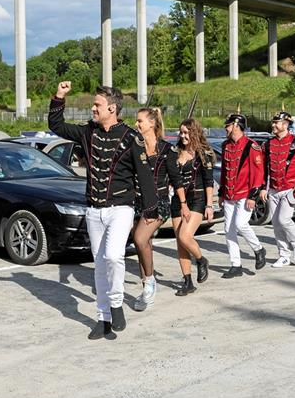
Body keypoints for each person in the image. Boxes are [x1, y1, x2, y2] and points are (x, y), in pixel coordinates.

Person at [48, 81, 158, 340]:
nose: (93, 108)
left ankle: (116, 303)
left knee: (113, 256)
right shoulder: (88, 133)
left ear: (112, 108)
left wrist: (150, 209)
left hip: (121, 208)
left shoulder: (131, 137)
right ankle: (103, 317)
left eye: (97, 105)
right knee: (99, 264)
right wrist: (59, 97)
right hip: (94, 210)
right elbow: (56, 126)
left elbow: (144, 176)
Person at [132, 107, 182, 311]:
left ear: (151, 123)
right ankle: (147, 290)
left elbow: (176, 180)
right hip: (136, 201)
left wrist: (184, 205)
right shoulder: (135, 147)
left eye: (140, 121)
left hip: (159, 202)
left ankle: (150, 281)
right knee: (143, 245)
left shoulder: (167, 150)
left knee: (140, 238)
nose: (136, 124)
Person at [259, 109, 295, 268]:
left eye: (276, 123)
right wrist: (263, 188)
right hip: (274, 189)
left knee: (284, 219)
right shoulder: (268, 144)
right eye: (273, 122)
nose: (273, 125)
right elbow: (264, 168)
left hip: (290, 188)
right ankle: (283, 255)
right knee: (275, 223)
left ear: (285, 124)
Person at [218, 112, 267, 278]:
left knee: (240, 224)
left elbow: (258, 173)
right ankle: (235, 264)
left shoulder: (251, 146)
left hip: (244, 194)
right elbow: (225, 171)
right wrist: (221, 193)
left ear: (236, 126)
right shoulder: (226, 145)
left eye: (228, 125)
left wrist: (253, 196)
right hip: (229, 194)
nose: (226, 128)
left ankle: (259, 249)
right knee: (228, 230)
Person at [170, 118, 214, 295]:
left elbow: (209, 181)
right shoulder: (175, 152)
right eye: (181, 132)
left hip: (197, 198)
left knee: (185, 236)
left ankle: (201, 260)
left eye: (187, 132)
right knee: (180, 243)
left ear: (195, 133)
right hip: (177, 201)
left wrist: (209, 205)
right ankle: (187, 281)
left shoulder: (204, 153)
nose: (183, 136)